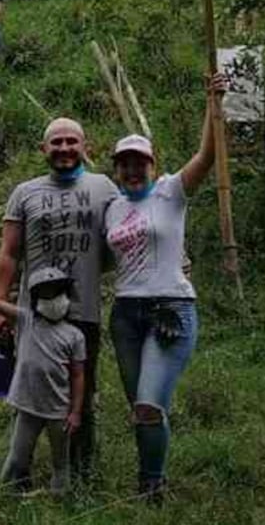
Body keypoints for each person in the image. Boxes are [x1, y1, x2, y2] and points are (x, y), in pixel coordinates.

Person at [104, 74, 226, 502]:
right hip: (124, 316)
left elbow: (208, 157)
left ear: (153, 166)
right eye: (125, 163)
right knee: (140, 407)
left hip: (170, 310)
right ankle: (148, 476)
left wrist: (213, 104)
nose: (133, 170)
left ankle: (152, 487)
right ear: (116, 170)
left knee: (149, 404)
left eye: (140, 162)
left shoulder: (170, 192)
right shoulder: (112, 208)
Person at [0, 117, 119, 479]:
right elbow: (9, 254)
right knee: (29, 389)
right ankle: (20, 469)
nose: (64, 148)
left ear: (85, 147)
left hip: (83, 311)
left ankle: (81, 472)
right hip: (34, 314)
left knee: (82, 391)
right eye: (56, 142)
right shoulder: (24, 193)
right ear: (43, 149)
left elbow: (125, 235)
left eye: (71, 141)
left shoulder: (105, 188)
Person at [0, 267, 86, 496]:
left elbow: (78, 375)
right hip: (27, 406)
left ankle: (59, 497)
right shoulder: (26, 320)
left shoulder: (75, 335)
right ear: (35, 300)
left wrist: (75, 412)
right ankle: (5, 495)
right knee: (17, 458)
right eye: (46, 294)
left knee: (61, 462)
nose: (53, 299)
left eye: (57, 292)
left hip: (58, 410)